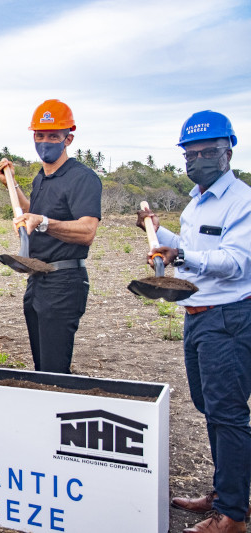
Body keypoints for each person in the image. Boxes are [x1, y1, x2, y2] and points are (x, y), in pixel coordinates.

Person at [138, 111, 251, 533]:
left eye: (208, 152)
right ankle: (226, 493)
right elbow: (190, 246)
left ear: (228, 152)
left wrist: (180, 256)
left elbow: (235, 262)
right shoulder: (196, 201)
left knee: (228, 415)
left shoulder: (243, 202)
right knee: (211, 410)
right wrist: (160, 234)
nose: (198, 159)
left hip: (230, 317)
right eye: (191, 153)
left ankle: (233, 516)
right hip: (198, 316)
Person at [0, 99, 101, 374]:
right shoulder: (41, 178)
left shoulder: (83, 178)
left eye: (53, 136)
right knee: (41, 365)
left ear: (69, 138)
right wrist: (13, 186)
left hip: (64, 282)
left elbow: (87, 230)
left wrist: (42, 222)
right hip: (38, 278)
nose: (45, 141)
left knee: (54, 368)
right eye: (40, 135)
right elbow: (34, 213)